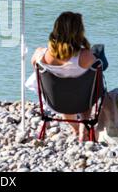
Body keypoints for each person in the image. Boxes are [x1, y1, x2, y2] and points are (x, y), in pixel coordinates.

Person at [31, 11, 96, 141]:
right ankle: (84, 126)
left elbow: (35, 68)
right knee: (89, 89)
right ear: (79, 31)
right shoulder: (86, 56)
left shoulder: (40, 55)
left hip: (56, 102)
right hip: (83, 101)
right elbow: (98, 72)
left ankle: (76, 130)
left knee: (65, 93)